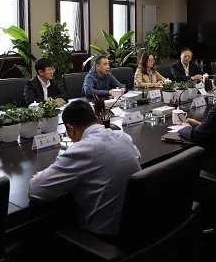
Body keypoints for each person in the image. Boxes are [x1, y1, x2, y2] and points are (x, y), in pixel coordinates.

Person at [29, 100, 141, 236]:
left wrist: (42, 175)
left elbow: (36, 190)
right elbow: (136, 158)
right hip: (134, 228)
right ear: (95, 118)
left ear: (70, 128)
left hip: (101, 236)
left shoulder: (82, 149)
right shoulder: (123, 136)